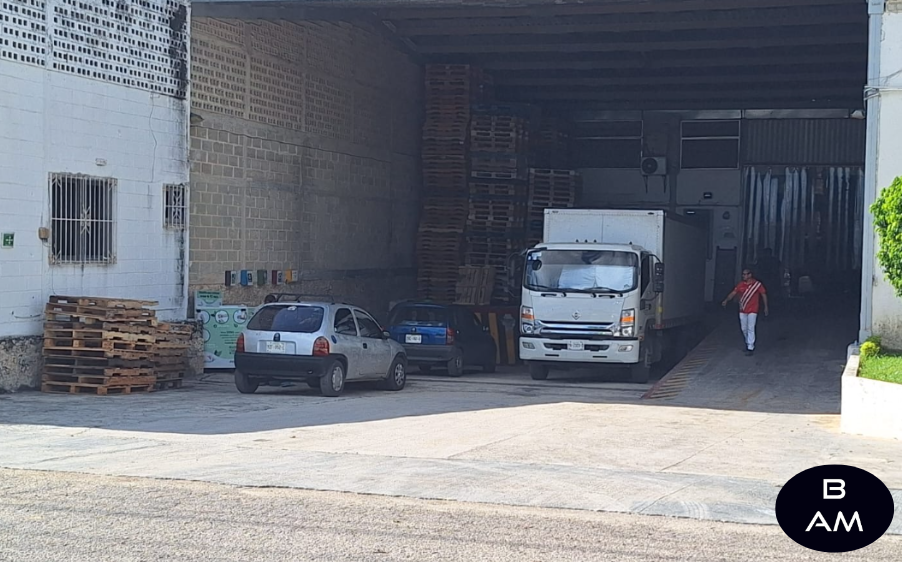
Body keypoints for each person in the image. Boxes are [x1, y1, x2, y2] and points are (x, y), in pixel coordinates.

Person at [721, 268, 769, 356]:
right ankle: (748, 343)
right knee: (744, 328)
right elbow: (733, 293)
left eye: (745, 274)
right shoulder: (741, 284)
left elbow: (763, 294)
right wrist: (726, 300)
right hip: (742, 309)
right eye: (743, 274)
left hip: (753, 310)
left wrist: (766, 307)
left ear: (750, 275)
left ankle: (750, 347)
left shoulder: (757, 285)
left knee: (751, 328)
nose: (743, 276)